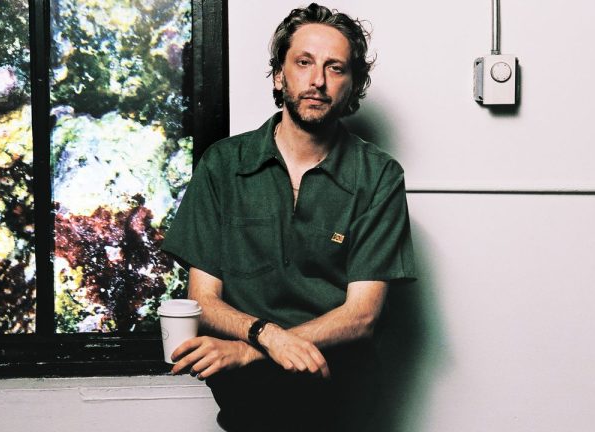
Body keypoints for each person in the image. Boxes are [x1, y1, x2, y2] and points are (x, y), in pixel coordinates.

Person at [161, 3, 416, 431]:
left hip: (339, 398)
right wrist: (267, 336)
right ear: (279, 75)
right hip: (247, 400)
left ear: (353, 85)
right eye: (304, 62)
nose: (318, 80)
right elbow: (203, 300)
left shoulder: (379, 176)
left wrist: (249, 350)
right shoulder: (223, 165)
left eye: (335, 68)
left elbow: (362, 316)